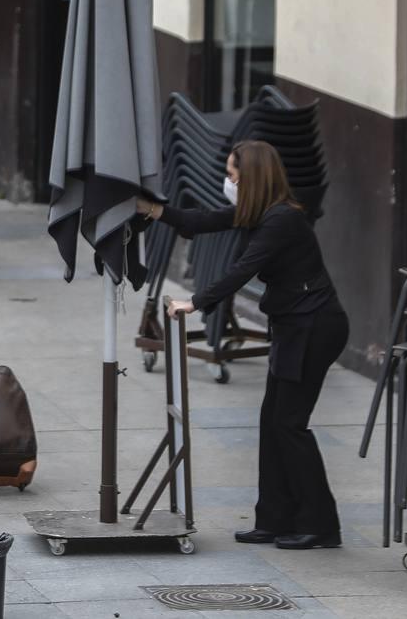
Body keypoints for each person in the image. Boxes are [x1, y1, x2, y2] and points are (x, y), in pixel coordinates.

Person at [138, 140, 348, 550]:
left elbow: (243, 268)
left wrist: (196, 302)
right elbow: (199, 221)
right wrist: (151, 209)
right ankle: (274, 520)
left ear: (252, 178)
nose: (228, 182)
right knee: (273, 425)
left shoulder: (281, 221)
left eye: (232, 175)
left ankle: (322, 526)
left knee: (289, 425)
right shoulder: (261, 212)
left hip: (314, 328)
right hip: (294, 326)